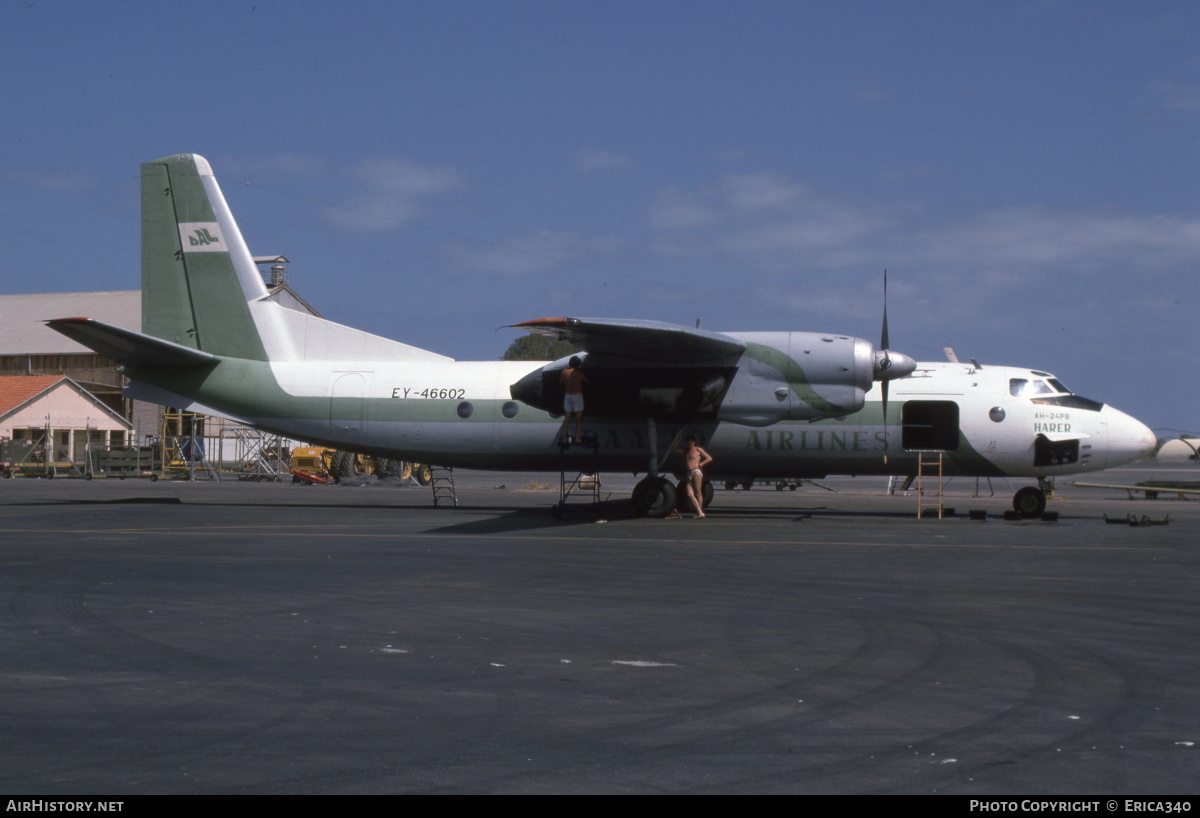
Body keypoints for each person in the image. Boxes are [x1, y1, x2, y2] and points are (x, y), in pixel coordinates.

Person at [675, 434, 713, 517]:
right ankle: (700, 512)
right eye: (688, 441)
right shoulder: (686, 451)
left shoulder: (698, 449)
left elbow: (709, 458)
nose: (689, 443)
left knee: (698, 493)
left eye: (691, 441)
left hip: (696, 472)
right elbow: (674, 449)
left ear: (694, 442)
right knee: (689, 494)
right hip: (689, 474)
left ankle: (699, 513)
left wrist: (701, 464)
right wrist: (678, 439)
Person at [560, 356, 589, 444]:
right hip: (577, 395)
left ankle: (564, 438)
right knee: (579, 418)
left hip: (567, 395)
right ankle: (577, 438)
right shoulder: (579, 372)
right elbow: (587, 382)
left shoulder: (564, 372)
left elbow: (560, 383)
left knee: (567, 418)